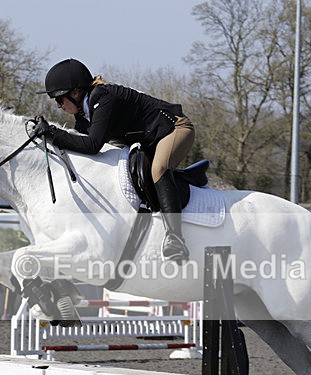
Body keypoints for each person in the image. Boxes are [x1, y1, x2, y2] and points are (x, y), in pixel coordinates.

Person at [34, 58, 194, 263]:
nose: (58, 106)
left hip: (175, 128)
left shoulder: (103, 98)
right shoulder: (83, 115)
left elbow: (93, 145)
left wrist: (53, 133)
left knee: (158, 168)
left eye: (59, 99)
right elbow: (80, 145)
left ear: (75, 93)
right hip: (148, 141)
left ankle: (176, 239)